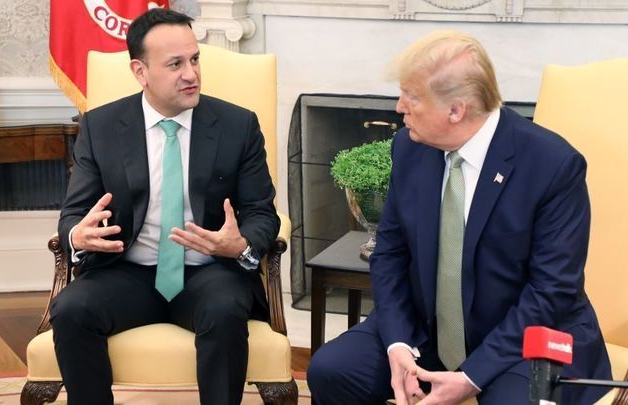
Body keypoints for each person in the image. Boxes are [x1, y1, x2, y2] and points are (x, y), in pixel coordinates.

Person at [307, 30, 611, 405]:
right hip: (426, 330)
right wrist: (398, 342)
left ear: (456, 110)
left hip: (525, 336)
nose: (399, 107)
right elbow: (390, 252)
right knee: (332, 371)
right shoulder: (410, 147)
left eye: (412, 97)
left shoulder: (553, 165)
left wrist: (472, 375)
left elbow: (551, 292)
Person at [49, 8, 280, 405]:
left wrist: (238, 245)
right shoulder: (101, 127)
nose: (191, 73)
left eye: (194, 59)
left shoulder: (237, 125)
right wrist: (77, 236)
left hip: (209, 272)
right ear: (140, 71)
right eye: (175, 64)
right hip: (127, 272)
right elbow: (76, 213)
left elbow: (262, 211)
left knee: (225, 310)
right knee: (70, 309)